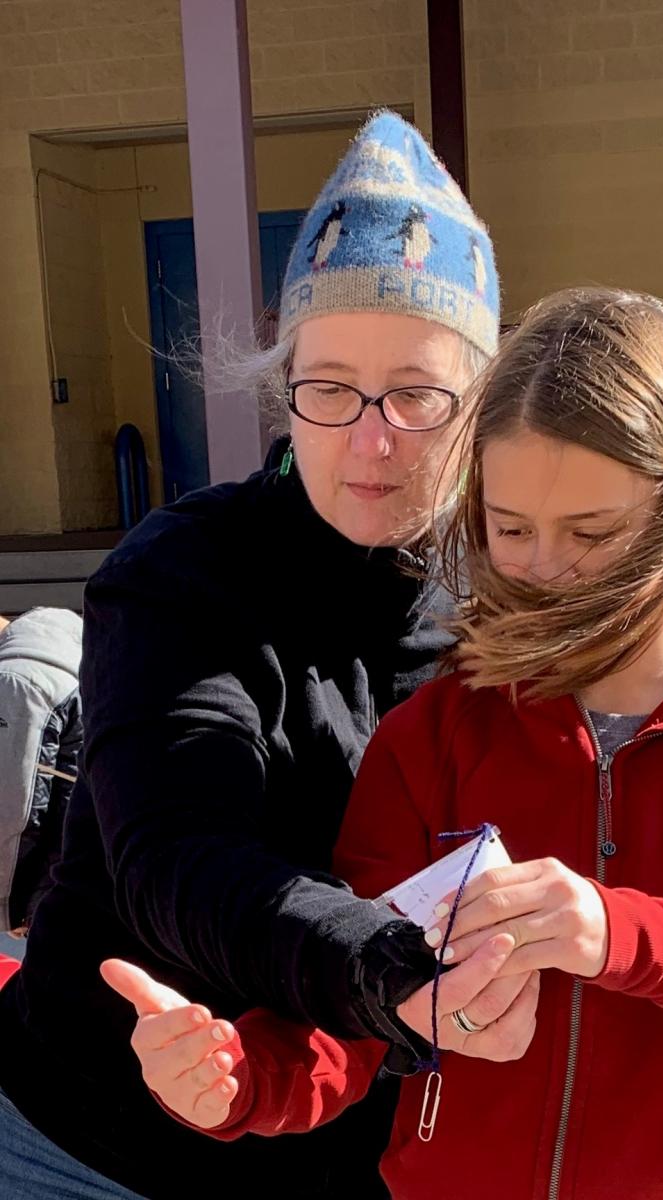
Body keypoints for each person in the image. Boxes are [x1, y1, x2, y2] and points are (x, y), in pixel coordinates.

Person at [111, 287, 663, 1200]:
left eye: (594, 533)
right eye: (511, 529)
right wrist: (242, 1077)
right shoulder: (437, 732)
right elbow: (367, 1012)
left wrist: (624, 936)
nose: (545, 571)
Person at [0, 112, 540, 1200]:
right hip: (92, 1141)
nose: (370, 436)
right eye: (330, 385)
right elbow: (176, 857)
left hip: (349, 1150)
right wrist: (394, 975)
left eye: (418, 393)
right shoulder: (180, 576)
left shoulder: (507, 603)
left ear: (481, 403)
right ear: (283, 380)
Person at [0, 608, 83, 944]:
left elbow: (13, 812)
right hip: (82, 884)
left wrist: (8, 912)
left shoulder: (16, 680)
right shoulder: (67, 652)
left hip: (49, 905)